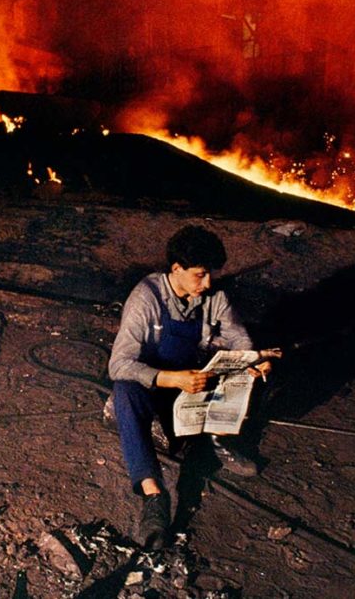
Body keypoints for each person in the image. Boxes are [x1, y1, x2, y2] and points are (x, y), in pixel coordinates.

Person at [108, 225, 273, 550]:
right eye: (200, 275)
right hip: (157, 384)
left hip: (195, 384)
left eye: (210, 274)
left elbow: (239, 339)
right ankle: (154, 496)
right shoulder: (147, 297)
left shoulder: (214, 297)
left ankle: (220, 439)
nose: (208, 283)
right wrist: (173, 378)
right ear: (176, 270)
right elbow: (119, 364)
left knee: (256, 371)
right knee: (124, 391)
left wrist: (252, 360)